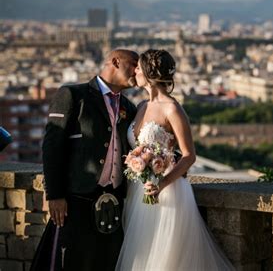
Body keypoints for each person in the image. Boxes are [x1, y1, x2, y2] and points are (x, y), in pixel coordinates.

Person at [115, 49, 234, 270]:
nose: (135, 71)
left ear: (149, 74)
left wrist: (161, 184)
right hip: (138, 190)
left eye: (138, 67)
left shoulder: (172, 109)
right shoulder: (141, 106)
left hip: (167, 192)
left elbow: (189, 156)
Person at [31, 49, 139, 271]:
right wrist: (55, 195)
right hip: (75, 199)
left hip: (114, 202)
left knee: (106, 263)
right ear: (115, 62)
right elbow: (52, 147)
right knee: (71, 262)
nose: (137, 70)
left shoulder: (129, 107)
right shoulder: (73, 95)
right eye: (133, 64)